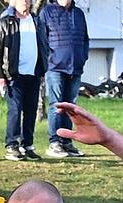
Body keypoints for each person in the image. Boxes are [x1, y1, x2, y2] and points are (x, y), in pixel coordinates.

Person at [0, 0, 48, 162]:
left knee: (31, 111)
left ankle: (27, 145)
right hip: (13, 75)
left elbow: (44, 44)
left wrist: (44, 65)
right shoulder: (6, 22)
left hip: (33, 74)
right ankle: (12, 145)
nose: (24, 2)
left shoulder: (37, 21)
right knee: (15, 110)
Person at [40, 0, 89, 158]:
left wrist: (83, 57)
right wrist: (48, 60)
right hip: (55, 67)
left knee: (70, 107)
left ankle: (67, 141)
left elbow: (85, 39)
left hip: (75, 67)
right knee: (56, 105)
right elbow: (42, 40)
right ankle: (55, 142)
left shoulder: (79, 13)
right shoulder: (47, 12)